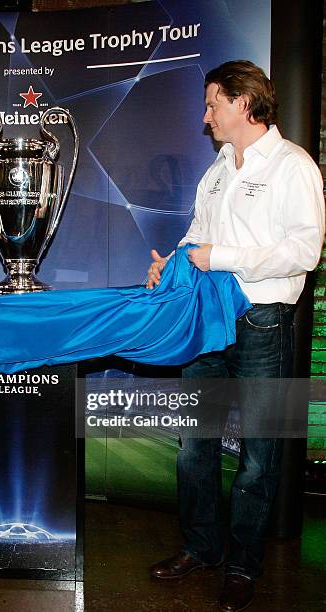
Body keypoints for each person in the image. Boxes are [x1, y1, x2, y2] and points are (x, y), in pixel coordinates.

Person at [146, 61, 324, 611]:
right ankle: (202, 547)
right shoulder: (218, 170)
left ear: (244, 104)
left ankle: (244, 566)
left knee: (257, 456)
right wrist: (170, 263)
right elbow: (198, 236)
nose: (206, 117)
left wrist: (222, 258)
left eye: (213, 104)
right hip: (208, 322)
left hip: (263, 325)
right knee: (192, 448)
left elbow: (304, 251)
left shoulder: (294, 166)